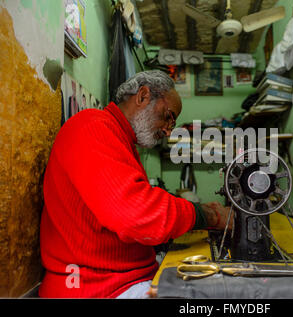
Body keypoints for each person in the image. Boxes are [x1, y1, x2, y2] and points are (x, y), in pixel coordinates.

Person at [39, 70, 232, 298]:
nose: (168, 130)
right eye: (168, 116)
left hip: (121, 278)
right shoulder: (92, 127)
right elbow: (139, 216)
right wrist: (208, 215)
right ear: (143, 96)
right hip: (96, 288)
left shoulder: (120, 138)